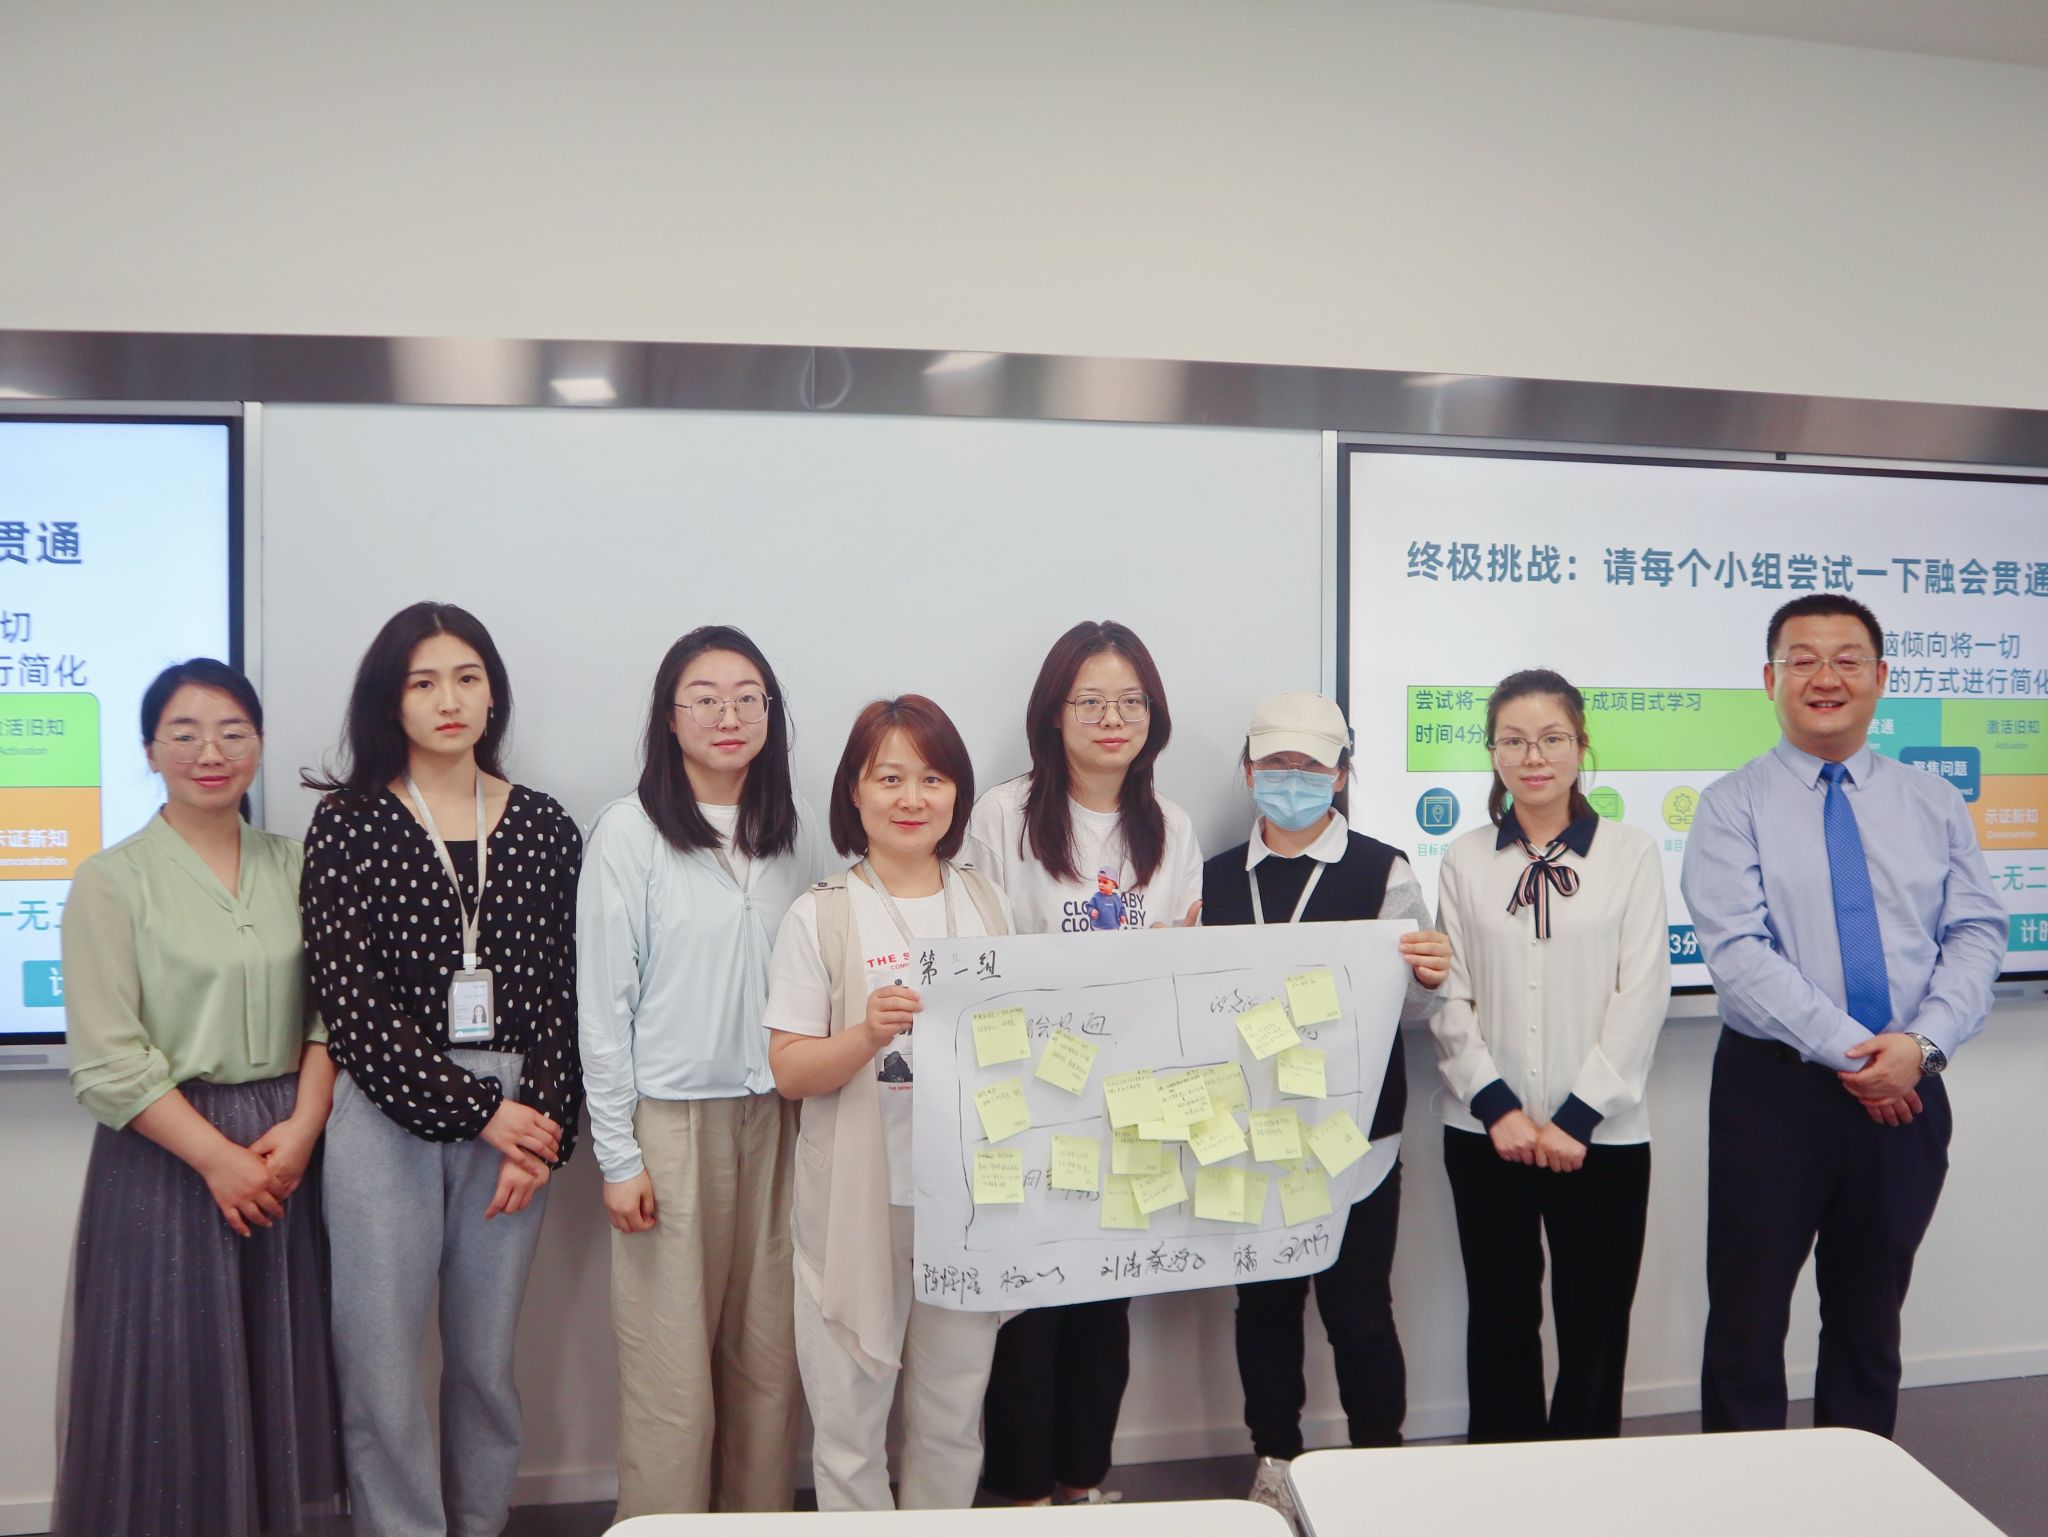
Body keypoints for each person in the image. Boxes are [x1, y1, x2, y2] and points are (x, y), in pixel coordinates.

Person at [1683, 594, 2005, 1436]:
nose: (1825, 677)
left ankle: (1860, 1485)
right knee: (1748, 1318)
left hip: (1910, 1084)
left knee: (1869, 1316)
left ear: (1880, 676)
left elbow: (1976, 931)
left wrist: (1921, 1046)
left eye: (1847, 659)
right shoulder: (1730, 805)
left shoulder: (1933, 800)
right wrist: (1861, 1056)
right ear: (1770, 679)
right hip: (1774, 1090)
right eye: (1802, 659)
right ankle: (1744, 1492)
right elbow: (1739, 954)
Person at [300, 602, 583, 1537]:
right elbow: (351, 1002)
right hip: (386, 1113)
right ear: (392, 700)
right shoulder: (348, 823)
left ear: (493, 692)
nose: (448, 699)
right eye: (423, 682)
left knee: (486, 1360)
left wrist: (539, 1132)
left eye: (467, 677)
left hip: (517, 1124)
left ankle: (479, 1522)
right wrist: (481, 1110)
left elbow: (563, 992)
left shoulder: (544, 825)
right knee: (379, 1362)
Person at [54, 659, 343, 1537]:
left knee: (277, 1376)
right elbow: (108, 1059)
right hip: (168, 1158)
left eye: (231, 731)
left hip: (286, 1150)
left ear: (259, 743)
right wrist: (219, 1159)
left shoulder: (300, 864)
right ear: (150, 750)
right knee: (169, 1377)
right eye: (184, 733)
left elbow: (332, 1018)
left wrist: (303, 1127)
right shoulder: (111, 878)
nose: (209, 752)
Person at [578, 626, 831, 1516]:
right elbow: (603, 1005)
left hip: (780, 1118)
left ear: (771, 713)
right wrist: (618, 1155)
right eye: (706, 698)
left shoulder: (793, 832)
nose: (729, 715)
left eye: (748, 697)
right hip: (671, 1126)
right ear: (669, 716)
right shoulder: (630, 831)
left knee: (770, 1361)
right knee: (671, 1373)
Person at [1199, 691, 1450, 1524]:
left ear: (1341, 775)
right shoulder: (1212, 878)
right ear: (1248, 770)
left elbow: (1416, 1008)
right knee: (1264, 1308)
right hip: (1248, 1134)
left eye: (1310, 765)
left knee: (1359, 1310)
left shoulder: (1385, 870)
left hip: (1354, 1135)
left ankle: (1380, 1464)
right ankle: (1274, 1461)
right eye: (1276, 762)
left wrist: (1429, 976)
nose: (1292, 778)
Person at [967, 619, 1202, 1505]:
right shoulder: (1003, 815)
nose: (1112, 718)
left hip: (1131, 1102)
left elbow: (1185, 959)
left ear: (1154, 714)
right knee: (1027, 1311)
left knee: (1107, 1307)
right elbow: (978, 951)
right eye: (1091, 701)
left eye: (1130, 701)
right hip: (1027, 1099)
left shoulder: (1170, 825)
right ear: (1054, 713)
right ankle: (1022, 1491)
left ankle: (1081, 1483)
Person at [763, 696, 1011, 1510]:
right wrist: (866, 1034)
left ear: (957, 792)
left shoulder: (988, 904)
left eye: (932, 778)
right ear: (855, 791)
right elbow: (790, 1069)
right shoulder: (821, 912)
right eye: (890, 778)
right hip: (856, 1204)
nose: (912, 798)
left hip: (965, 1201)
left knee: (952, 1420)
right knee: (847, 1431)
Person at [1432, 668, 1670, 1442]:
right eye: (1513, 740)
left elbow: (1644, 992)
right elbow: (1449, 994)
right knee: (1499, 1319)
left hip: (1602, 1136)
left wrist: (1578, 1116)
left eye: (1551, 738)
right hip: (1486, 1134)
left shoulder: (1631, 853)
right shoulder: (1464, 858)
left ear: (1580, 745)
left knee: (1595, 1326)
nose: (1533, 756)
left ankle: (1585, 1483)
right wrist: (1496, 1106)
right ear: (1493, 752)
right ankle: (1503, 1481)